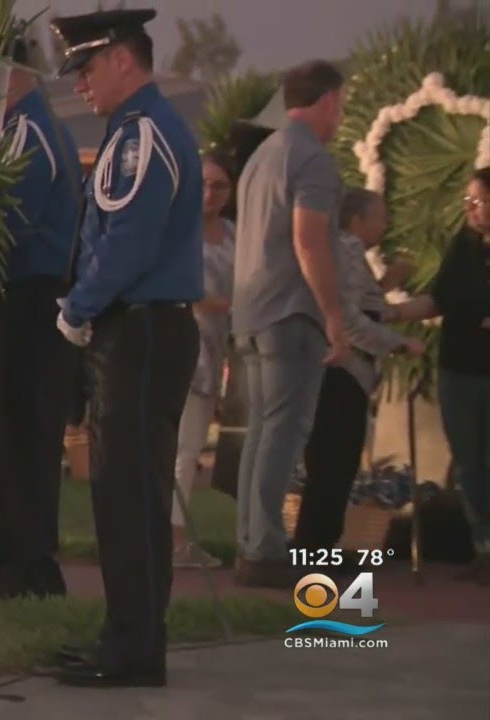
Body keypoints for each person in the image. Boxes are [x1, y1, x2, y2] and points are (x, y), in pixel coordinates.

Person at [50, 8, 203, 687]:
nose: (80, 84)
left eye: (86, 69)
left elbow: (127, 245)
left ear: (122, 58)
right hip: (142, 328)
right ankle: (129, 635)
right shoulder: (135, 129)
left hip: (137, 330)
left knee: (129, 495)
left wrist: (77, 313)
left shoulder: (142, 134)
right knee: (125, 492)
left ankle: (134, 648)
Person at [0, 33, 84, 599]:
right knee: (20, 436)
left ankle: (23, 568)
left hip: (23, 298)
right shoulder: (36, 127)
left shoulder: (25, 131)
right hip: (29, 298)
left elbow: (7, 224)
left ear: (9, 73)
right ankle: (24, 564)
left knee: (17, 435)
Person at [230, 60, 351, 588]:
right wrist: (334, 313)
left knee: (262, 430)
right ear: (326, 101)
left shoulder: (263, 155)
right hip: (290, 312)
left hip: (251, 310)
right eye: (341, 105)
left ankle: (250, 541)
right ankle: (266, 550)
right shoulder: (313, 160)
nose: (341, 116)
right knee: (283, 432)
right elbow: (309, 240)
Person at [295, 188, 424, 552]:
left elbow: (366, 305)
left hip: (341, 369)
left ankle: (320, 542)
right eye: (379, 217)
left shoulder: (350, 254)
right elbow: (349, 318)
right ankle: (315, 546)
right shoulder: (348, 248)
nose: (384, 226)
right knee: (333, 461)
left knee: (333, 461)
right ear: (356, 220)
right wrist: (399, 343)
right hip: (343, 369)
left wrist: (387, 287)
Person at [390, 168, 490, 584]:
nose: (471, 210)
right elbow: (439, 300)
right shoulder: (462, 247)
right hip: (457, 369)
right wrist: (390, 313)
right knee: (468, 462)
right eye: (467, 202)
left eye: (478, 201)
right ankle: (484, 546)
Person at [172, 152, 237, 569]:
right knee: (182, 449)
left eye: (219, 186)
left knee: (191, 449)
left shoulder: (234, 235)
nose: (210, 193)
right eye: (204, 183)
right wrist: (230, 305)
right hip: (183, 347)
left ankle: (175, 536)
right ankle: (174, 542)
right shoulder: (178, 233)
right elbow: (184, 289)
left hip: (218, 352)